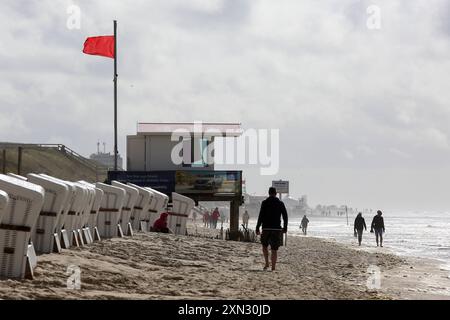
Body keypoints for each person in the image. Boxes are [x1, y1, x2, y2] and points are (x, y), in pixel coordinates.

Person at [256, 187, 288, 271]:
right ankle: (273, 267)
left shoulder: (264, 203)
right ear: (276, 193)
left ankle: (267, 263)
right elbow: (285, 216)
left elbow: (261, 216)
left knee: (264, 246)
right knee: (274, 249)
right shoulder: (280, 203)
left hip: (266, 228)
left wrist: (257, 227)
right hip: (276, 229)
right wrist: (285, 227)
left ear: (269, 193)